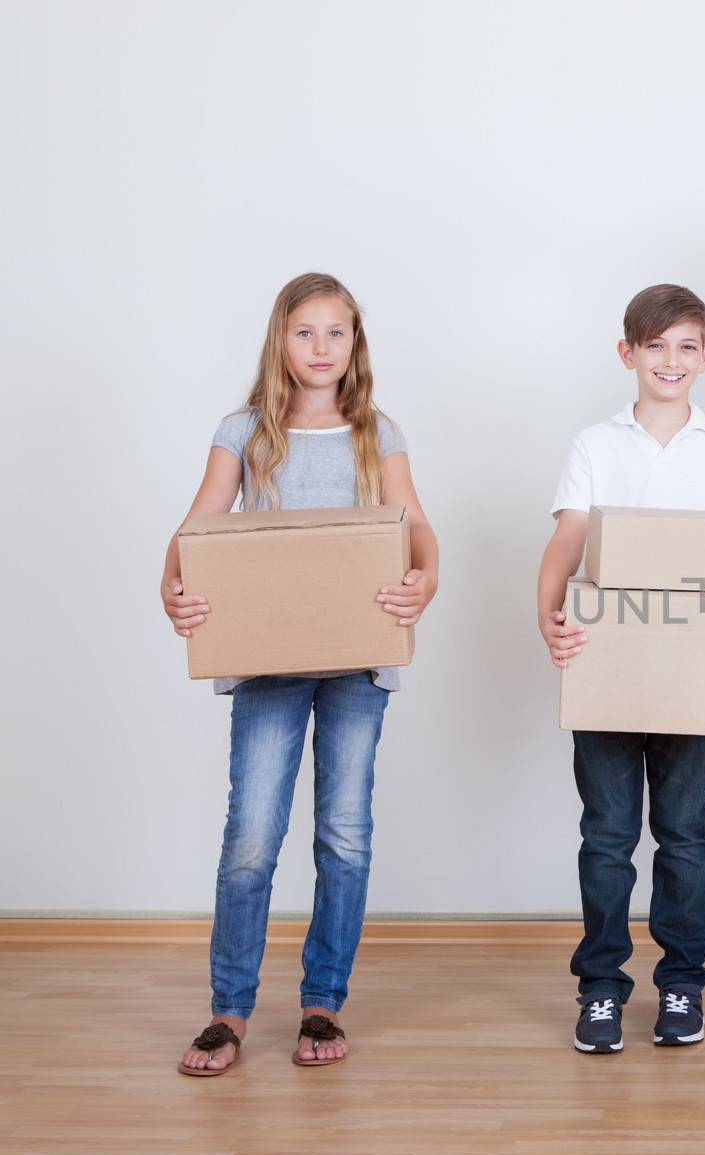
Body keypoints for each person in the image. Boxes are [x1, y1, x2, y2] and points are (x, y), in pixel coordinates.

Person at [168, 272, 440, 1075]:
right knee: (251, 837)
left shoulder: (375, 431)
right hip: (268, 664)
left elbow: (416, 524)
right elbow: (200, 522)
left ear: (355, 345)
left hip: (357, 664)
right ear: (279, 341)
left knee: (343, 835)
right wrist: (171, 586)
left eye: (337, 333)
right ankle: (228, 1008)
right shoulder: (245, 428)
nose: (322, 348)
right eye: (305, 332)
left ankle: (323, 997)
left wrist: (425, 576)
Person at [538, 284, 705, 1054]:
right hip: (608, 665)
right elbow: (570, 538)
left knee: (684, 834)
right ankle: (601, 989)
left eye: (686, 347)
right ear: (627, 353)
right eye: (655, 346)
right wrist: (548, 614)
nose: (670, 361)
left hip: (694, 669)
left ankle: (681, 985)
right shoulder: (595, 445)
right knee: (606, 836)